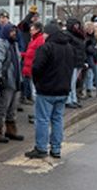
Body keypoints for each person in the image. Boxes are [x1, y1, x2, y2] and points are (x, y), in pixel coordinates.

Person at [25, 22, 75, 159]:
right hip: (63, 89)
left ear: (49, 34)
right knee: (57, 119)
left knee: (42, 120)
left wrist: (38, 83)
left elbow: (36, 68)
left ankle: (41, 148)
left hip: (46, 89)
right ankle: (56, 148)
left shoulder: (45, 48)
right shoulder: (69, 48)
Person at [0, 23, 24, 143]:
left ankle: (10, 130)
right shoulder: (0, 44)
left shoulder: (14, 44)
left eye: (15, 31)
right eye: (12, 31)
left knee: (12, 108)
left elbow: (17, 62)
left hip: (15, 80)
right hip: (6, 80)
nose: (14, 34)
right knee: (2, 107)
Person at [21, 21, 45, 123]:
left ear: (37, 30)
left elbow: (37, 55)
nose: (30, 31)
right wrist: (23, 54)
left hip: (34, 70)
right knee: (35, 93)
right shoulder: (34, 39)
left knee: (36, 94)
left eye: (32, 29)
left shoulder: (39, 40)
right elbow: (30, 54)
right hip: (30, 69)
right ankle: (36, 114)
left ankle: (38, 116)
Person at [65, 18, 86, 108]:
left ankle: (74, 99)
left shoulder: (79, 35)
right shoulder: (67, 35)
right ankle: (69, 99)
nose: (77, 26)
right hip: (72, 61)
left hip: (79, 60)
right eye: (75, 25)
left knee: (74, 82)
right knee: (71, 82)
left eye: (78, 24)